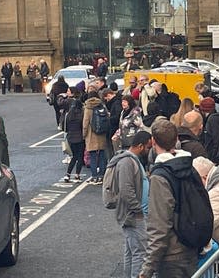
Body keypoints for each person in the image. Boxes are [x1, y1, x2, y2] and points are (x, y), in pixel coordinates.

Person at [139, 120, 199, 278]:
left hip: (171, 255)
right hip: (191, 245)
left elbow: (159, 225)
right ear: (176, 139)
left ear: (153, 141)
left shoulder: (160, 177)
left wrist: (147, 268)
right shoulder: (190, 167)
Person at [108, 131, 151, 278]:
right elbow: (126, 190)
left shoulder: (132, 160)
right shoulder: (127, 162)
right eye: (147, 147)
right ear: (140, 146)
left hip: (134, 214)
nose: (148, 151)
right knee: (140, 253)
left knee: (131, 252)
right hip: (133, 215)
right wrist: (138, 209)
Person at [58, 87, 86, 182]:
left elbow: (66, 126)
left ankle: (68, 174)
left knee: (73, 156)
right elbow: (84, 126)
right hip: (80, 138)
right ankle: (77, 175)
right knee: (80, 157)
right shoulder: (82, 114)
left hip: (71, 137)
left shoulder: (69, 115)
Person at [83, 94, 108, 184]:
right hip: (101, 134)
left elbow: (85, 123)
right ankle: (102, 175)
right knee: (102, 155)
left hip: (91, 135)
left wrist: (84, 134)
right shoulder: (101, 106)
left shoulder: (88, 108)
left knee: (92, 156)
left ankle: (94, 176)